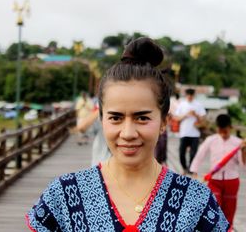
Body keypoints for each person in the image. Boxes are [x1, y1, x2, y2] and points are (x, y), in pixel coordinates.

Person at [26, 37, 229, 231]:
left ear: (163, 122)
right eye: (115, 118)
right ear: (101, 119)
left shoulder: (195, 200)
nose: (128, 133)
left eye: (142, 118)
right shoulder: (65, 194)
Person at [190, 114, 246, 231]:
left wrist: (244, 150)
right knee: (214, 209)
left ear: (230, 128)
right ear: (217, 128)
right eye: (220, 130)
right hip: (214, 180)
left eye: (225, 131)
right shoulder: (211, 140)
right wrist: (194, 172)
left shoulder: (238, 143)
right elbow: (199, 156)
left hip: (232, 181)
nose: (222, 134)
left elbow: (244, 166)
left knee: (229, 211)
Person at [174, 88, 206, 175]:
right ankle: (184, 168)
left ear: (193, 95)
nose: (190, 97)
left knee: (193, 154)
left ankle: (190, 169)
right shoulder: (182, 104)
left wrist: (195, 115)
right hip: (184, 133)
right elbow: (176, 118)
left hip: (195, 133)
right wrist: (186, 114)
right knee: (181, 153)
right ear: (186, 95)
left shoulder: (198, 105)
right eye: (188, 95)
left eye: (191, 95)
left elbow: (203, 119)